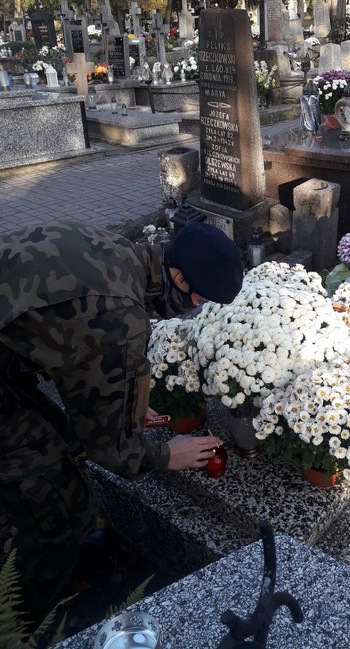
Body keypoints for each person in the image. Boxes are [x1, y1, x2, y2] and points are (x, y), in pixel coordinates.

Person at [0, 220, 244, 625]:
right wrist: (167, 454)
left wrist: (119, 399)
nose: (193, 309)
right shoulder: (118, 318)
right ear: (178, 278)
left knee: (60, 440)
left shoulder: (118, 252)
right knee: (61, 514)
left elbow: (60, 335)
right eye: (198, 299)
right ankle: (21, 622)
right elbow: (113, 452)